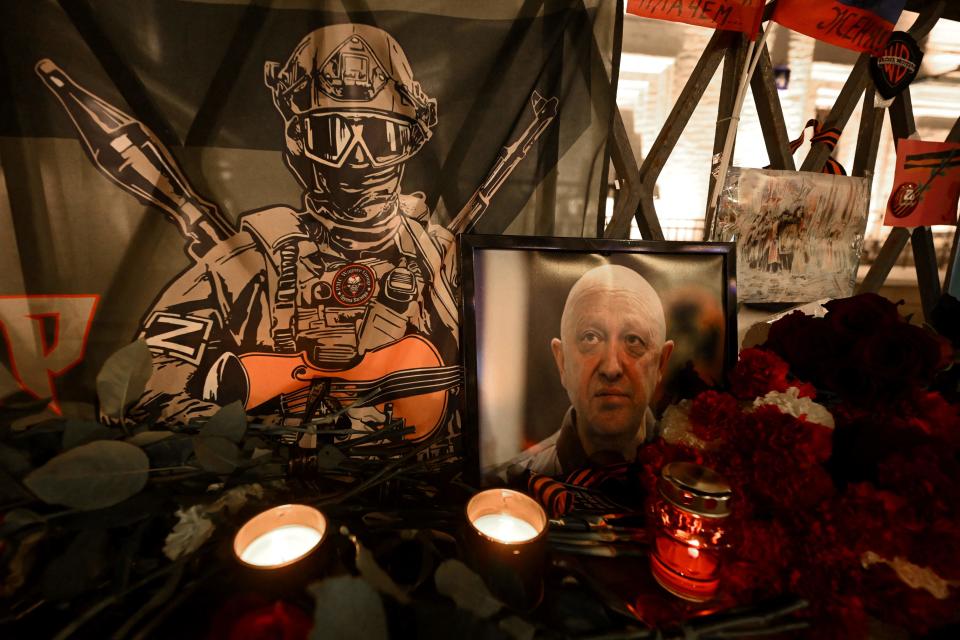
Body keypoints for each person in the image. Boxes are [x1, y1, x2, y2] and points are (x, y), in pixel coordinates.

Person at [130, 24, 460, 439]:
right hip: (271, 486)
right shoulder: (249, 260)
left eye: (380, 137)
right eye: (330, 136)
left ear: (411, 141)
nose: (356, 161)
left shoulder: (443, 259)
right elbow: (146, 384)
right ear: (297, 139)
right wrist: (253, 435)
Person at [505, 264, 674, 476]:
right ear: (562, 361)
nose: (611, 368)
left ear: (661, 364)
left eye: (633, 340)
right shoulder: (508, 488)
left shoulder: (697, 475)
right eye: (590, 337)